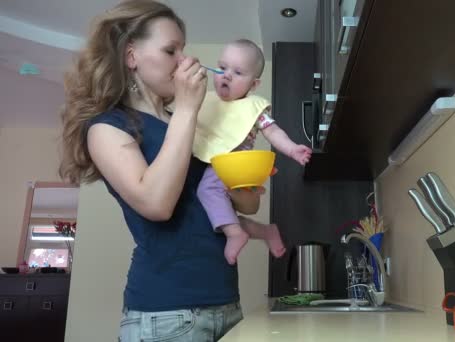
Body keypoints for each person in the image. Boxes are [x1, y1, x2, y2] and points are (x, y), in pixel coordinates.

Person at [58, 1, 257, 341]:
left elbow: (246, 205)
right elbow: (156, 204)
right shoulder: (107, 127)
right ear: (131, 56)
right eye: (170, 50)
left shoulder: (189, 123)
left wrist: (239, 161)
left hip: (226, 303)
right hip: (166, 314)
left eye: (183, 49)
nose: (184, 60)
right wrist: (188, 108)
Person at [194, 39, 312, 265]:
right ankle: (265, 232)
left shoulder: (253, 108)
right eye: (222, 67)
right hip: (218, 165)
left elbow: (273, 131)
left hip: (236, 166)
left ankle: (235, 234)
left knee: (207, 190)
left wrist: (292, 149)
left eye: (238, 72)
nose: (226, 75)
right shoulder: (206, 100)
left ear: (254, 85)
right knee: (216, 213)